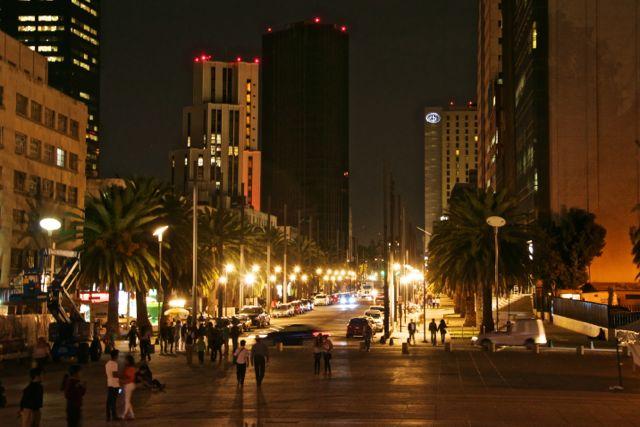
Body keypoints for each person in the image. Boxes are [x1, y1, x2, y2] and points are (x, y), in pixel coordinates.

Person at [105, 350, 120, 422]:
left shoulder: (107, 363)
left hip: (109, 383)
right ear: (115, 356)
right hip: (115, 384)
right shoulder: (114, 364)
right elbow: (115, 374)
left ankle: (108, 416)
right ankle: (114, 416)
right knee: (113, 401)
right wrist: (121, 376)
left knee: (109, 401)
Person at [121, 355, 137, 420]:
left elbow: (131, 378)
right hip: (126, 385)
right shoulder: (126, 367)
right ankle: (132, 414)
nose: (125, 361)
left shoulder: (131, 368)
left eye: (126, 360)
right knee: (127, 400)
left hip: (129, 385)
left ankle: (124, 414)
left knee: (127, 400)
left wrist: (123, 381)